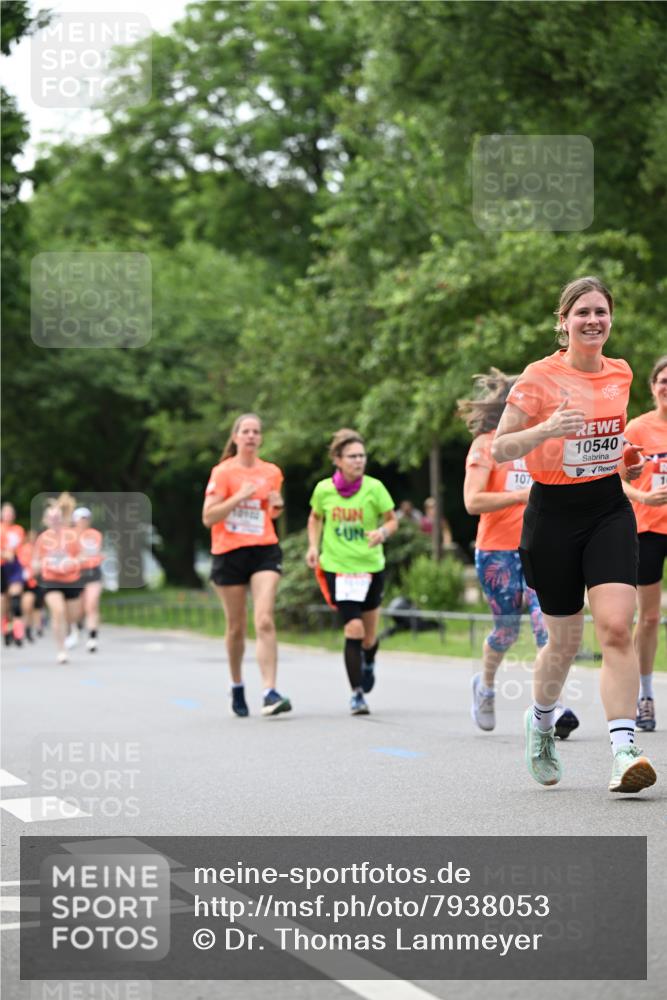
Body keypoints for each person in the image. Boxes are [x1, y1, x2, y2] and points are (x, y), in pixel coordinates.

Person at [492, 275, 656, 794]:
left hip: (608, 507)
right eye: (581, 312)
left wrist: (627, 464)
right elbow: (500, 447)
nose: (592, 320)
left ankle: (624, 749)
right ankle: (540, 725)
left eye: (600, 312)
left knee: (615, 627)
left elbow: (611, 444)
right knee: (563, 643)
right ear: (562, 322)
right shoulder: (539, 377)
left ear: (611, 319)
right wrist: (544, 431)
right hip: (553, 515)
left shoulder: (622, 373)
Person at [459, 369, 579, 737]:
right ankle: (486, 686)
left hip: (541, 545)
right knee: (506, 630)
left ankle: (552, 708)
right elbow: (471, 501)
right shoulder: (486, 445)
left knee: (549, 627)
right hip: (496, 552)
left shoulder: (546, 442)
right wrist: (520, 497)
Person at [203, 413, 290, 718]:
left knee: (264, 619)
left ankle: (269, 691)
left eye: (256, 432)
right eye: (246, 431)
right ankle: (237, 683)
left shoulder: (271, 472)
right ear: (236, 437)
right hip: (229, 552)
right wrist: (238, 497)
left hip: (264, 549)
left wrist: (276, 505)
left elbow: (272, 512)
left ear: (261, 438)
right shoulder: (223, 472)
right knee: (236, 627)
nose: (251, 436)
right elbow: (208, 517)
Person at [306, 428, 397, 715]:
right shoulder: (324, 490)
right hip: (338, 567)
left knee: (368, 637)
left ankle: (368, 660)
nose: (359, 461)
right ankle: (357, 694)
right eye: (352, 456)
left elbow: (392, 520)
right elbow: (314, 518)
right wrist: (313, 547)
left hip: (370, 566)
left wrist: (382, 532)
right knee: (353, 628)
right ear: (338, 459)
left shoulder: (375, 488)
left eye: (362, 456)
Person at [622, 355, 667, 732]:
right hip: (648, 529)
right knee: (649, 617)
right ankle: (644, 695)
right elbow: (614, 477)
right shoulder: (638, 427)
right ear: (653, 387)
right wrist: (643, 497)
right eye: (663, 380)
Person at [32, 494, 83, 664]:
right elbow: (35, 561)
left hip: (71, 580)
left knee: (72, 615)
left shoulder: (72, 536)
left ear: (62, 518)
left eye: (57, 517)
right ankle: (61, 650)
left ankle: (72, 629)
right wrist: (38, 565)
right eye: (51, 517)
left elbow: (82, 556)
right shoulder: (43, 539)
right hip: (51, 580)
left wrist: (72, 562)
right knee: (58, 611)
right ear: (46, 520)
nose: (54, 520)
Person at [73, 506, 104, 652]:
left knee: (91, 604)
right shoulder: (69, 535)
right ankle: (77, 628)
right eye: (81, 518)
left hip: (92, 572)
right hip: (75, 573)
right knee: (78, 609)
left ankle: (92, 638)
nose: (83, 522)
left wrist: (82, 555)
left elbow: (92, 552)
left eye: (86, 519)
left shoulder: (94, 534)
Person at [1, 502, 26, 646]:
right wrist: (4, 553)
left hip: (14, 566)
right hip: (1, 566)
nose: (8, 515)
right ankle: (6, 627)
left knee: (16, 600)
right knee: (3, 601)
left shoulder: (18, 530)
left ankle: (18, 632)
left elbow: (19, 548)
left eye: (11, 512)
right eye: (6, 512)